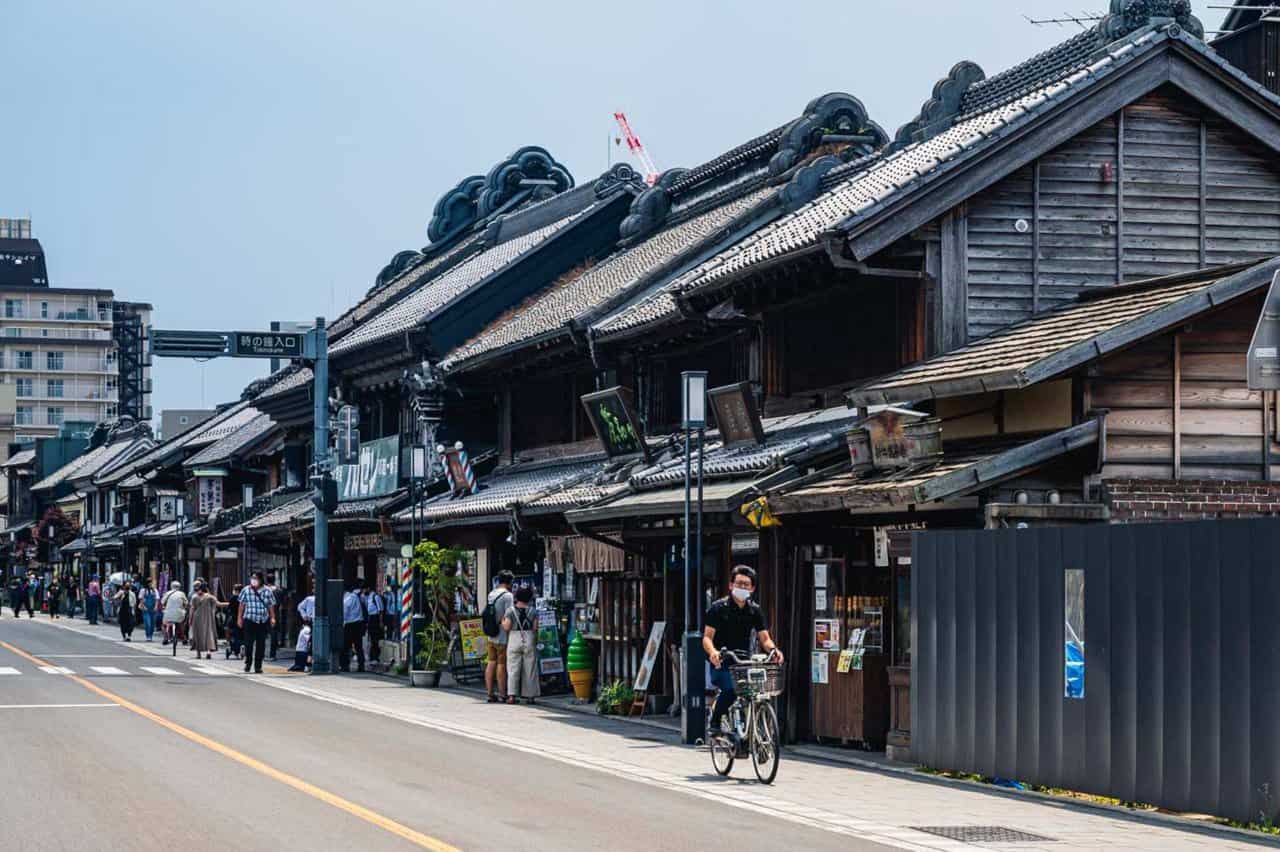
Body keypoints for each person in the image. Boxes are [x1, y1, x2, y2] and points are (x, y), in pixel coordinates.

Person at [702, 565, 784, 733]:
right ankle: (715, 722)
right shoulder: (718, 608)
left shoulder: (754, 610)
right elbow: (707, 638)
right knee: (731, 690)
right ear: (731, 585)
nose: (742, 587)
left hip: (743, 662)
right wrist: (713, 653)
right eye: (739, 583)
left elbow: (765, 638)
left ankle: (755, 736)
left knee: (756, 691)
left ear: (752, 588)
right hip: (722, 662)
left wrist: (774, 650)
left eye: (747, 585)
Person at [502, 586, 540, 705]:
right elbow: (535, 627)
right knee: (530, 668)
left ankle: (512, 696)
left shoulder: (510, 610)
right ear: (529, 598)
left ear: (516, 597)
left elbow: (507, 627)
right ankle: (530, 696)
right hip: (528, 638)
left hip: (514, 638)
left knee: (513, 668)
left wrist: (503, 622)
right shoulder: (533, 611)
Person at [237, 571, 276, 674]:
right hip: (249, 619)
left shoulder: (267, 591)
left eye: (255, 578)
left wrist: (272, 617)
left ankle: (258, 666)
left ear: (261, 579)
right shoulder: (246, 590)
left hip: (262, 620)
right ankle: (248, 662)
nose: (253, 580)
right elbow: (241, 605)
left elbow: (271, 605)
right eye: (252, 578)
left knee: (261, 644)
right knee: (248, 643)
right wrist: (239, 618)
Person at [484, 571, 514, 703]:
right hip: (502, 635)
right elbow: (509, 615)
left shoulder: (492, 593)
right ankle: (503, 694)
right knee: (501, 664)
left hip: (491, 634)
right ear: (509, 582)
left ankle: (490, 693)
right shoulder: (508, 596)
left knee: (491, 662)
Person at [187, 581, 225, 660]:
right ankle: (208, 651)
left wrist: (190, 620)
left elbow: (192, 609)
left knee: (197, 634)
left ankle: (198, 653)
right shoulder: (209, 597)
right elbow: (219, 604)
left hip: (197, 618)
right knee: (208, 634)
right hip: (208, 618)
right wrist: (230, 604)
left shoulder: (194, 597)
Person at [339, 581, 366, 673]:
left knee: (345, 646)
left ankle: (344, 666)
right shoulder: (354, 597)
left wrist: (342, 622)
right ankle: (361, 666)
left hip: (351, 624)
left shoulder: (349, 598)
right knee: (358, 646)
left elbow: (345, 611)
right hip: (358, 623)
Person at [361, 578, 384, 668]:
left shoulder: (375, 597)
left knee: (375, 639)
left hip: (375, 619)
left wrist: (381, 622)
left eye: (364, 589)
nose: (363, 591)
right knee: (371, 638)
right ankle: (372, 657)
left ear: (368, 588)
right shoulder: (368, 597)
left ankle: (376, 658)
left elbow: (381, 610)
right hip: (370, 618)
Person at [265, 573, 286, 659]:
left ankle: (261, 654)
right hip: (275, 613)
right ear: (274, 580)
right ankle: (272, 654)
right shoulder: (279, 590)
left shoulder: (264, 590)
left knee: (262, 633)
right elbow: (282, 603)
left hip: (264, 613)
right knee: (274, 634)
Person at [160, 581, 188, 645]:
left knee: (165, 624)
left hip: (168, 613)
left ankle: (166, 637)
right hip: (179, 613)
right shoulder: (182, 594)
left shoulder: (167, 593)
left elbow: (162, 602)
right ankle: (184, 638)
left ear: (171, 586)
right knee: (181, 624)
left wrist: (165, 606)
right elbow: (186, 603)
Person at [224, 583, 245, 660]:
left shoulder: (233, 598)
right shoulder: (244, 598)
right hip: (243, 619)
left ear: (235, 590)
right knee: (242, 634)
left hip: (233, 619)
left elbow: (229, 609)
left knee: (229, 630)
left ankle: (230, 646)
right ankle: (242, 646)